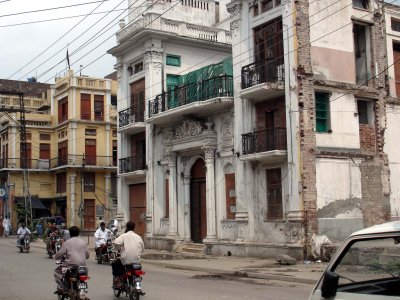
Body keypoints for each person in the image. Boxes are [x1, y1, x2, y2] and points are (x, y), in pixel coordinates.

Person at [53, 226, 89, 293]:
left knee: (57, 271)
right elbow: (87, 255)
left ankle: (62, 287)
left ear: (70, 233)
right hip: (82, 267)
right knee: (83, 277)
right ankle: (82, 291)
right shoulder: (83, 243)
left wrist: (55, 256)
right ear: (78, 233)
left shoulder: (67, 243)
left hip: (70, 266)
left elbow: (60, 254)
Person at [112, 221, 145, 294]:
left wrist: (118, 248)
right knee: (138, 273)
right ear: (134, 228)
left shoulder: (123, 236)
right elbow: (143, 248)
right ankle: (138, 287)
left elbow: (116, 243)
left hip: (126, 260)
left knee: (115, 264)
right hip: (136, 261)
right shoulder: (138, 237)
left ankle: (117, 282)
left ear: (126, 227)